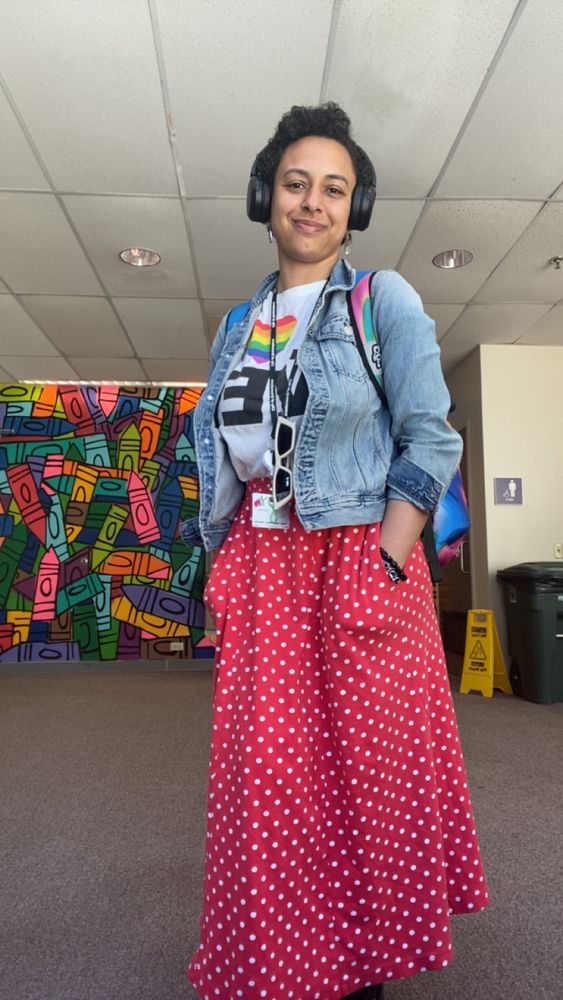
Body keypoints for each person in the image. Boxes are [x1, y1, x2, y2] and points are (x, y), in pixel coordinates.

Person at [182, 103, 489, 1000]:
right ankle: (287, 965)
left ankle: (363, 976)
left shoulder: (381, 299)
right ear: (265, 197)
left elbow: (431, 438)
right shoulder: (237, 326)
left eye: (333, 188)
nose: (311, 202)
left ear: (355, 207)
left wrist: (386, 561)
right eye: (294, 183)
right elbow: (226, 460)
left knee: (368, 785)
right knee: (273, 788)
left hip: (358, 553)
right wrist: (220, 564)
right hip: (263, 567)